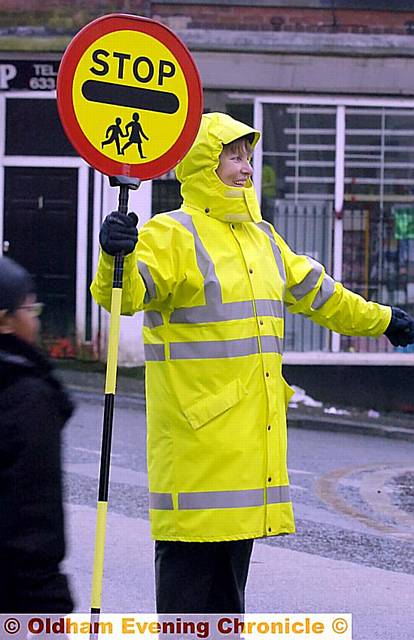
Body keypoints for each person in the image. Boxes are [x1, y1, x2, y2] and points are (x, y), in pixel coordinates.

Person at [91, 112, 414, 614]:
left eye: (248, 157)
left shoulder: (262, 240)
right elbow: (125, 296)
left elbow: (324, 296)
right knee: (188, 601)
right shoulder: (172, 233)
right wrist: (116, 256)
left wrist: (385, 320)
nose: (246, 169)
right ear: (203, 164)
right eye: (233, 158)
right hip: (197, 455)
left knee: (227, 605)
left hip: (247, 452)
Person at [0, 257, 74, 613]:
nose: (36, 319)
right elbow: (33, 520)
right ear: (4, 321)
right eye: (29, 308)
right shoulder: (26, 399)